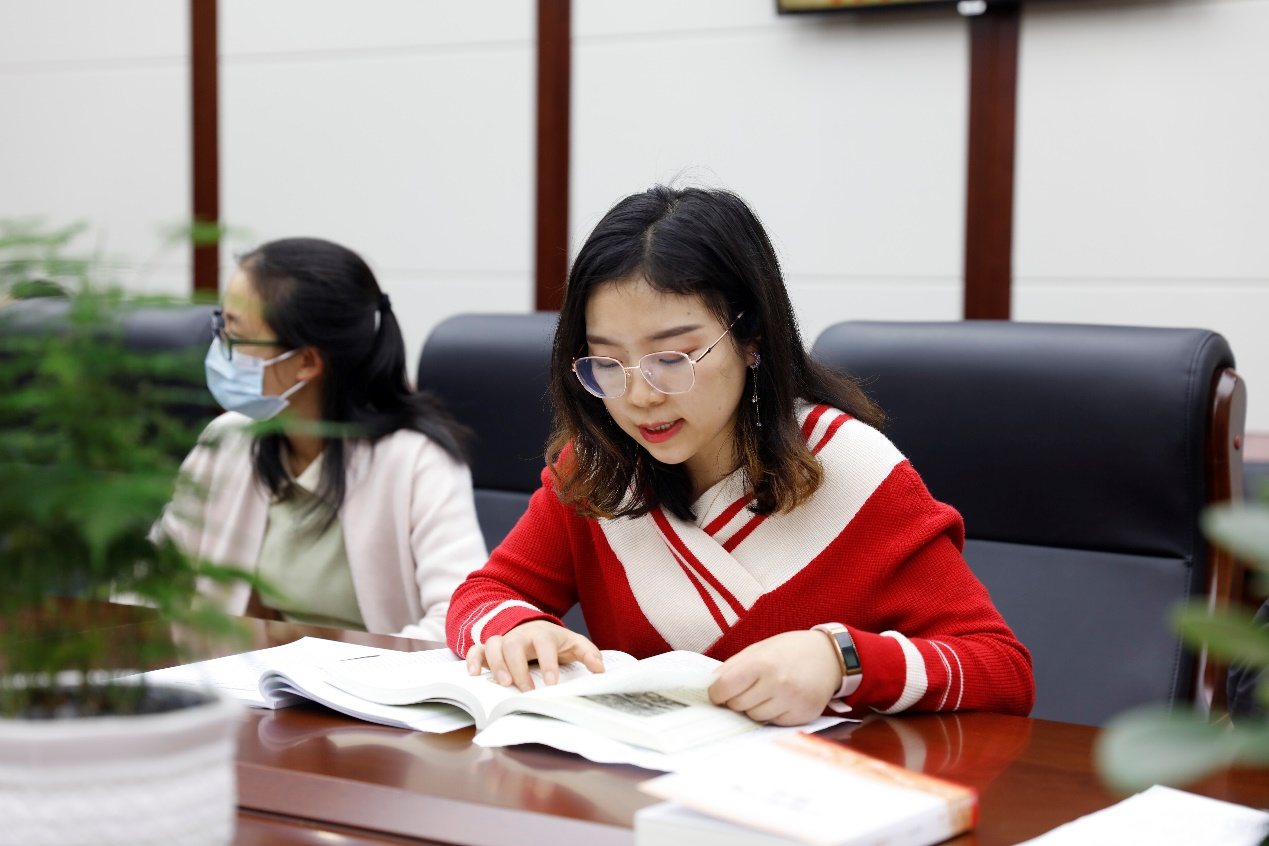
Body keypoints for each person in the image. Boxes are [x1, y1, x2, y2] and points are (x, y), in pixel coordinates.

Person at [447, 186, 1034, 725]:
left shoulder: (852, 470)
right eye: (608, 363)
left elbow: (1001, 668)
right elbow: (483, 596)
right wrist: (517, 628)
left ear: (751, 338)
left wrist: (842, 659)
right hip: (640, 781)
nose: (640, 396)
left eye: (671, 359)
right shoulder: (601, 467)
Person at [158, 237, 487, 641]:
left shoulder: (418, 460)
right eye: (219, 324)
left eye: (235, 333)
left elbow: (461, 619)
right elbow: (153, 578)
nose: (219, 346)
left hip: (370, 680)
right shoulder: (227, 441)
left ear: (306, 362)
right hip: (241, 675)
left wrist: (333, 661)